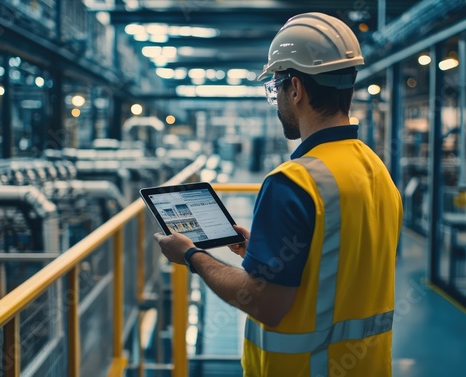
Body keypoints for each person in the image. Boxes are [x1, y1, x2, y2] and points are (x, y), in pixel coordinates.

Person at [154, 12, 403, 377]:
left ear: (297, 88)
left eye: (276, 88)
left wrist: (192, 256)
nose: (278, 101)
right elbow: (340, 258)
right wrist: (267, 248)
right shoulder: (375, 168)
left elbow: (264, 303)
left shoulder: (294, 181)